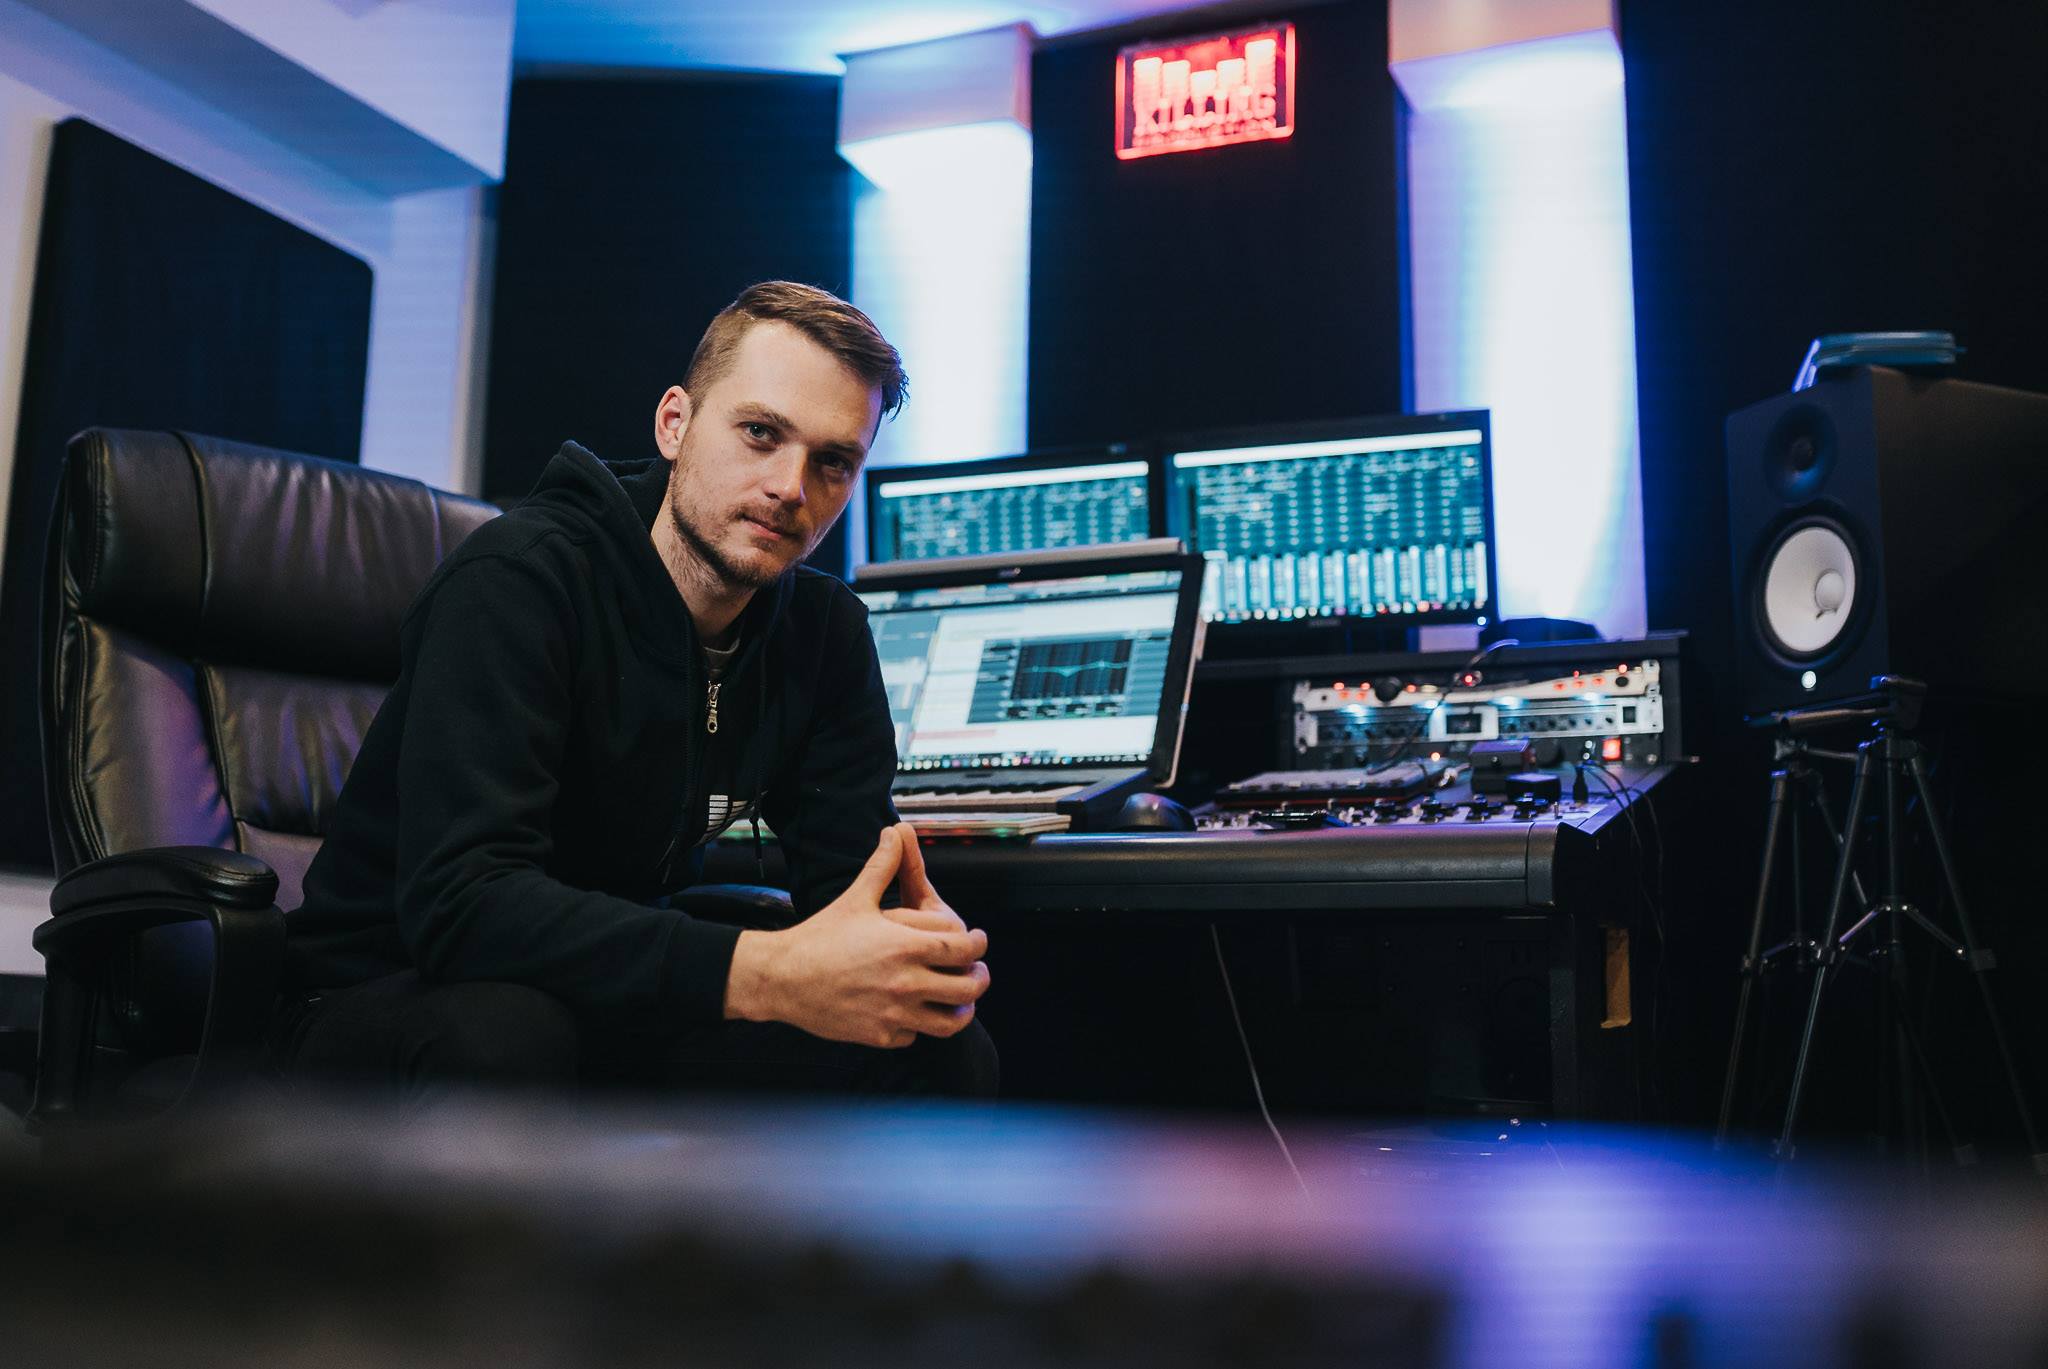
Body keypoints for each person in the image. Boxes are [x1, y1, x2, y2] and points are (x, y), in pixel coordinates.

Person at [275, 281, 995, 1100]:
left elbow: (846, 901)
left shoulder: (823, 636)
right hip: (386, 988)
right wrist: (762, 970)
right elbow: (462, 907)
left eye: (832, 462)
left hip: (601, 992)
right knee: (507, 1035)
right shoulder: (518, 582)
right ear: (674, 424)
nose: (792, 487)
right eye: (761, 433)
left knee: (933, 1045)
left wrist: (904, 946)